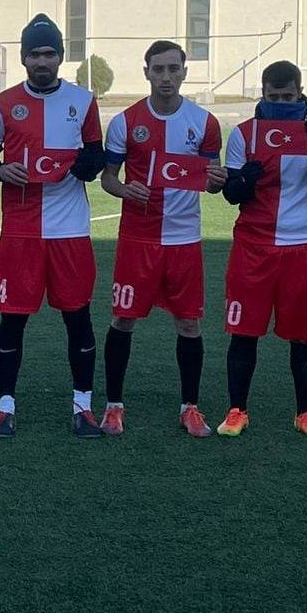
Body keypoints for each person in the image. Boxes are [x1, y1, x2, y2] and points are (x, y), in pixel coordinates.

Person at [0, 13, 108, 437]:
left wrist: (86, 166)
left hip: (70, 230)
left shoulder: (83, 101)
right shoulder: (4, 103)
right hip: (21, 230)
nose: (42, 61)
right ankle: (5, 407)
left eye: (49, 53)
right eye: (34, 54)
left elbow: (96, 153)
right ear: (23, 58)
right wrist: (1, 170)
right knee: (12, 320)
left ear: (60, 56)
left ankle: (83, 407)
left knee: (78, 317)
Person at [219, 59, 307, 439]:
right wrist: (246, 179)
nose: (280, 102)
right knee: (244, 332)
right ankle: (237, 411)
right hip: (253, 246)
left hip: (303, 246)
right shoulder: (244, 133)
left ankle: (306, 413)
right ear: (263, 93)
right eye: (274, 96)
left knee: (305, 336)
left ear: (300, 94)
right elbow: (231, 194)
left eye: (287, 97)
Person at [98, 41, 226, 437]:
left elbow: (212, 179)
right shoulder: (125, 121)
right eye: (159, 69)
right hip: (138, 239)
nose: (166, 77)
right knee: (123, 319)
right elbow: (107, 178)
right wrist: (125, 190)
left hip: (184, 240)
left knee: (189, 323)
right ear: (147, 72)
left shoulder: (204, 122)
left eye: (173, 69)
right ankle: (113, 406)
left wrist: (218, 180)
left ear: (185, 72)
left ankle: (190, 407)